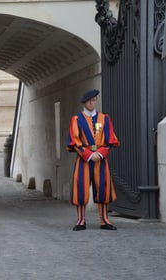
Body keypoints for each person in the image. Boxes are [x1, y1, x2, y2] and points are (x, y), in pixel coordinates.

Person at [66, 89, 120, 231]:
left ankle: (104, 220)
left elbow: (110, 140)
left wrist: (100, 154)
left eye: (94, 100)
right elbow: (74, 141)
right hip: (84, 159)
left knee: (103, 188)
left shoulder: (104, 118)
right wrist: (89, 154)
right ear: (84, 103)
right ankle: (81, 220)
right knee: (81, 188)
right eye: (90, 101)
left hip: (101, 159)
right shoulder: (77, 119)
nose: (92, 103)